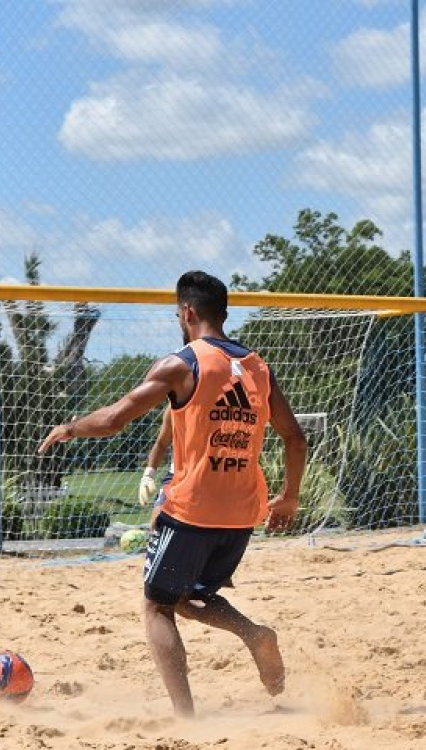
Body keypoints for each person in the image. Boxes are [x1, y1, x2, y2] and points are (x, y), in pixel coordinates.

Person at [39, 270, 308, 717]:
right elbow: (296, 439)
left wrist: (70, 427)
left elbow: (114, 419)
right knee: (190, 597)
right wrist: (290, 497)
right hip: (243, 512)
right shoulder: (258, 367)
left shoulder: (182, 364)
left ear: (186, 312)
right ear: (223, 313)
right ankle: (255, 635)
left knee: (157, 607)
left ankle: (186, 718)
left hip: (193, 508)